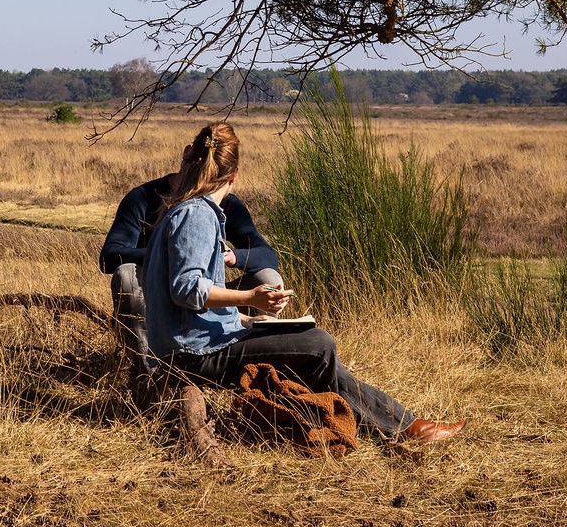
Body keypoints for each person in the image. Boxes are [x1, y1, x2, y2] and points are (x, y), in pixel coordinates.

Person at [141, 122, 465, 446]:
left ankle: (390, 424)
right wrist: (249, 297)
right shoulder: (197, 215)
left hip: (192, 345)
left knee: (311, 344)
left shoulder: (182, 210)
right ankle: (395, 428)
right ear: (234, 175)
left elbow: (186, 307)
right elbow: (187, 290)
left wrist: (249, 320)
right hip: (193, 354)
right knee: (318, 345)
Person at [101, 129, 286, 367]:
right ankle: (148, 368)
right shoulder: (143, 198)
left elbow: (267, 255)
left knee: (268, 277)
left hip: (209, 296)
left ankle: (258, 367)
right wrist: (170, 255)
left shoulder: (226, 203)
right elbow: (109, 256)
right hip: (162, 299)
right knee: (126, 274)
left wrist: (233, 256)